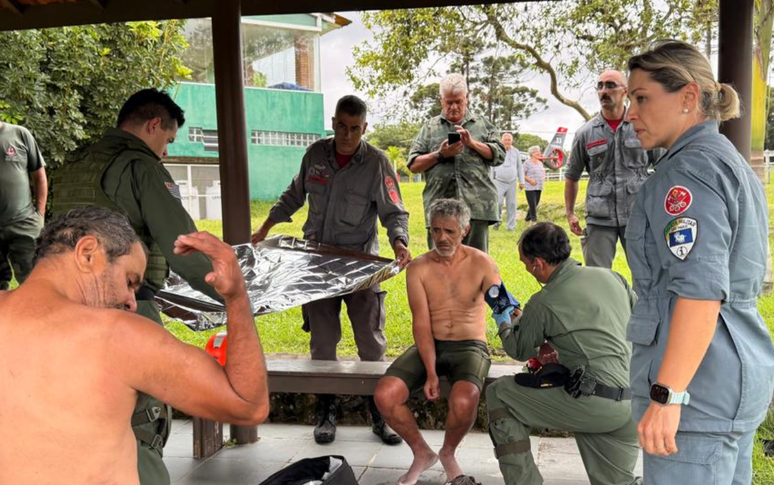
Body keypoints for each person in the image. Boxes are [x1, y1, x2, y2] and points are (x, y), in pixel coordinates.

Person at [0, 207, 268, 485]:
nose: (131, 302)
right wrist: (236, 295)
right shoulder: (116, 335)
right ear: (87, 253)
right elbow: (247, 405)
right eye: (129, 281)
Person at [51, 88, 224, 485]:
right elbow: (182, 246)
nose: (165, 150)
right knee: (143, 419)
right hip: (125, 309)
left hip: (63, 313)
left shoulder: (72, 163)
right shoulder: (140, 166)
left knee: (83, 416)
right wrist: (230, 292)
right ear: (153, 125)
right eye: (168, 139)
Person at [624, 40, 774, 484]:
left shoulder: (685, 173)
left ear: (688, 96)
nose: (630, 113)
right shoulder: (729, 161)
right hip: (731, 376)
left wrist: (668, 396)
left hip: (697, 392)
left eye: (641, 98)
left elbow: (700, 290)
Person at [251, 95, 410, 446]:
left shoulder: (377, 163)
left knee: (371, 344)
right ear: (333, 122)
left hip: (360, 264)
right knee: (322, 344)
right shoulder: (315, 155)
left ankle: (380, 415)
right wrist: (265, 227)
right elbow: (293, 195)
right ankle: (326, 413)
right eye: (341, 126)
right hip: (318, 264)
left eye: (354, 128)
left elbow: (394, 212)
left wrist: (399, 242)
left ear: (364, 128)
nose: (346, 135)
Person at [486, 222, 641, 485]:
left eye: (525, 264)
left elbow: (518, 349)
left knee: (499, 394)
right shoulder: (613, 278)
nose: (526, 269)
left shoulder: (544, 300)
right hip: (633, 403)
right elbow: (632, 326)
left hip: (595, 404)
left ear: (537, 263)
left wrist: (503, 321)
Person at [374, 198, 498, 485]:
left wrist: (518, 320)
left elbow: (501, 304)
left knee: (465, 399)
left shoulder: (482, 262)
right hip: (430, 342)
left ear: (465, 230)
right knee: (385, 394)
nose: (442, 238)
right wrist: (430, 372)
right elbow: (421, 323)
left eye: (450, 231)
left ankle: (448, 452)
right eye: (436, 230)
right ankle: (422, 452)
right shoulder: (419, 267)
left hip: (470, 345)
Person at [564, 70, 661, 268]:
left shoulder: (644, 127)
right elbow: (572, 176)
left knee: (647, 273)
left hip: (638, 213)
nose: (603, 91)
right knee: (597, 277)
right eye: (600, 86)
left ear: (625, 91)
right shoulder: (585, 133)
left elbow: (664, 167)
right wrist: (570, 213)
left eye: (610, 85)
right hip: (599, 217)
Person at [407, 73, 506, 253]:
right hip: (440, 210)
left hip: (477, 209)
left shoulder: (482, 124)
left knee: (476, 262)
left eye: (458, 101)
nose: (453, 107)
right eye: (449, 102)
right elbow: (414, 165)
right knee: (441, 262)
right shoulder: (429, 127)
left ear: (467, 98)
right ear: (441, 101)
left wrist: (472, 143)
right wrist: (440, 155)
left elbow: (499, 155)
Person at [0, 120, 47, 288]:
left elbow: (39, 177)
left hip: (24, 224)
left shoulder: (20, 134)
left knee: (34, 283)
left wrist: (40, 215)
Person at [491, 133, 524, 232]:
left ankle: (511, 227)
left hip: (512, 182)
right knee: (498, 203)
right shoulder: (497, 150)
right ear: (502, 141)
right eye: (505, 140)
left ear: (512, 141)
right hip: (499, 182)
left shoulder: (516, 152)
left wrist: (522, 181)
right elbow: (492, 166)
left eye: (509, 140)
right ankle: (497, 222)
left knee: (512, 204)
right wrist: (491, 180)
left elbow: (519, 166)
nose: (507, 142)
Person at [523, 146, 545, 224]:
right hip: (530, 187)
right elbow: (522, 174)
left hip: (539, 186)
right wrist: (530, 180)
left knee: (535, 203)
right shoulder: (527, 163)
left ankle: (527, 219)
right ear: (532, 153)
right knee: (532, 204)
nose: (539, 153)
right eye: (537, 152)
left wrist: (543, 178)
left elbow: (543, 172)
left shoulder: (540, 163)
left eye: (539, 151)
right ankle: (534, 221)